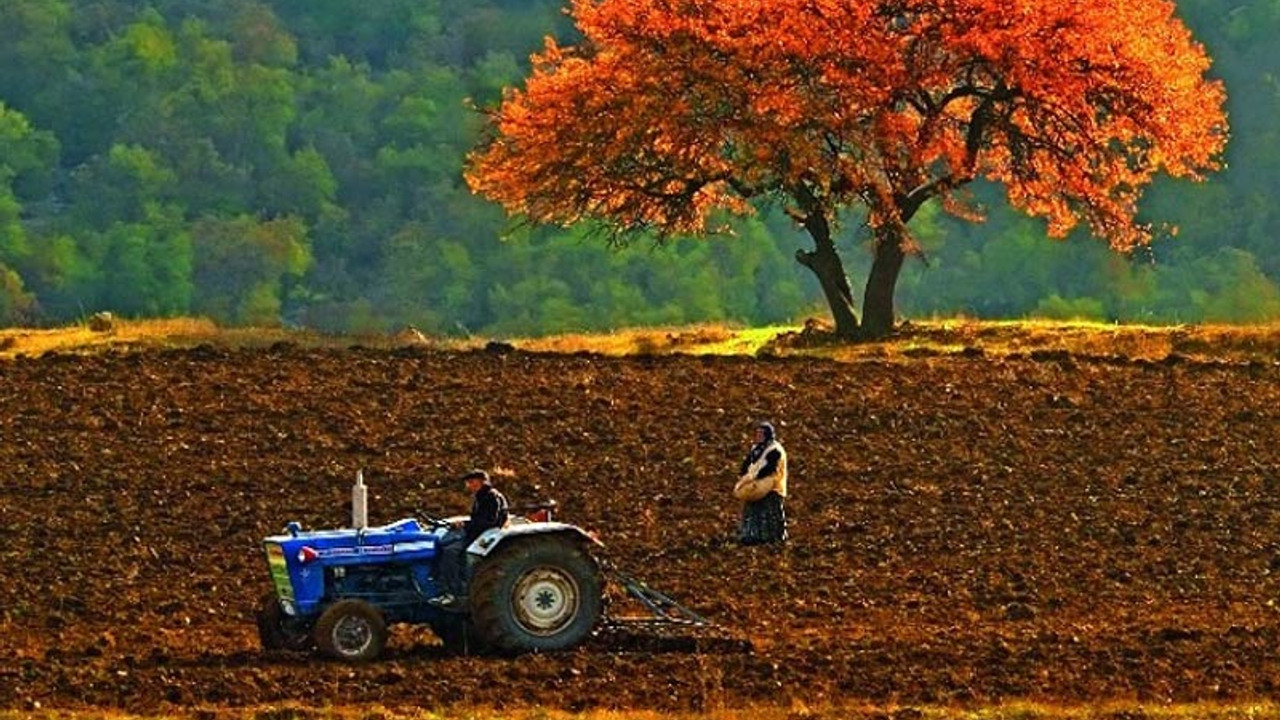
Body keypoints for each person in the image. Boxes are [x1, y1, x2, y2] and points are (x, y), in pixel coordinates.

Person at [431, 469, 509, 609]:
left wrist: (465, 525)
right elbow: (479, 519)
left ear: (482, 482)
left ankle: (453, 593)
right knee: (445, 543)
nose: (469, 485)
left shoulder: (491, 497)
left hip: (485, 534)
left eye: (472, 482)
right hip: (477, 531)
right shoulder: (481, 496)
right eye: (468, 482)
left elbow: (489, 521)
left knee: (449, 552)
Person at [736, 421, 788, 545]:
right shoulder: (756, 449)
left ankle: (772, 538)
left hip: (772, 487)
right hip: (756, 487)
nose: (758, 436)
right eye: (757, 433)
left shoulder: (775, 450)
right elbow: (747, 464)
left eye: (761, 433)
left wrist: (753, 477)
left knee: (769, 513)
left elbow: (769, 468)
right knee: (752, 511)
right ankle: (751, 536)